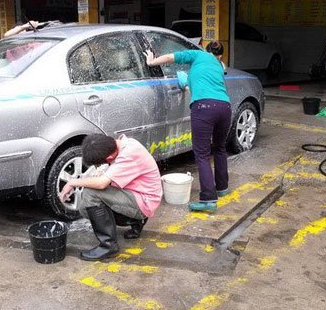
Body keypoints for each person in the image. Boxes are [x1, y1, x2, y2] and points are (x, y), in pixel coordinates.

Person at [145, 41, 231, 212]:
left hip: (204, 108)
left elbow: (171, 57)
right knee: (220, 148)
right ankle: (222, 188)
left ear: (205, 50)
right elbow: (205, 88)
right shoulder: (219, 66)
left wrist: (151, 62)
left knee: (202, 154)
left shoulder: (198, 55)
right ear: (220, 55)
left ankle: (208, 199)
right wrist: (187, 85)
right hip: (225, 107)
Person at [58, 134, 162, 261]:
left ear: (110, 157)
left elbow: (101, 184)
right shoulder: (122, 143)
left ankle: (108, 246)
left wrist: (71, 182)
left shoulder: (129, 154)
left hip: (144, 202)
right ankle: (135, 221)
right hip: (137, 194)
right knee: (85, 208)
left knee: (91, 193)